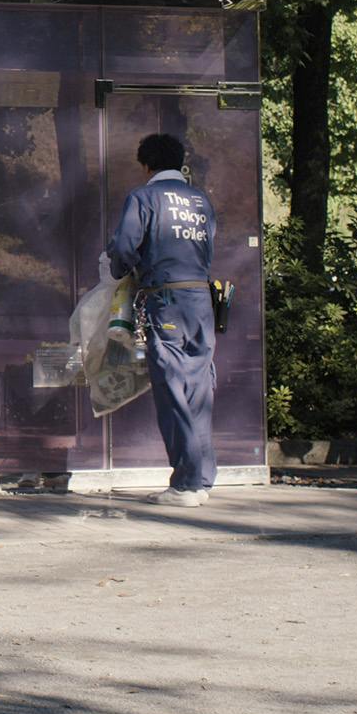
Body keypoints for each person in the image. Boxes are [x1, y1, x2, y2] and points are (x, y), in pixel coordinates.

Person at [106, 132, 218, 507]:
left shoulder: (143, 197)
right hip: (201, 298)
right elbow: (209, 246)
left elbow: (123, 247)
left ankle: (184, 484)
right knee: (198, 389)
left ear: (146, 165)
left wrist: (127, 269)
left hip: (165, 299)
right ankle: (201, 481)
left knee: (171, 388)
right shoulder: (201, 200)